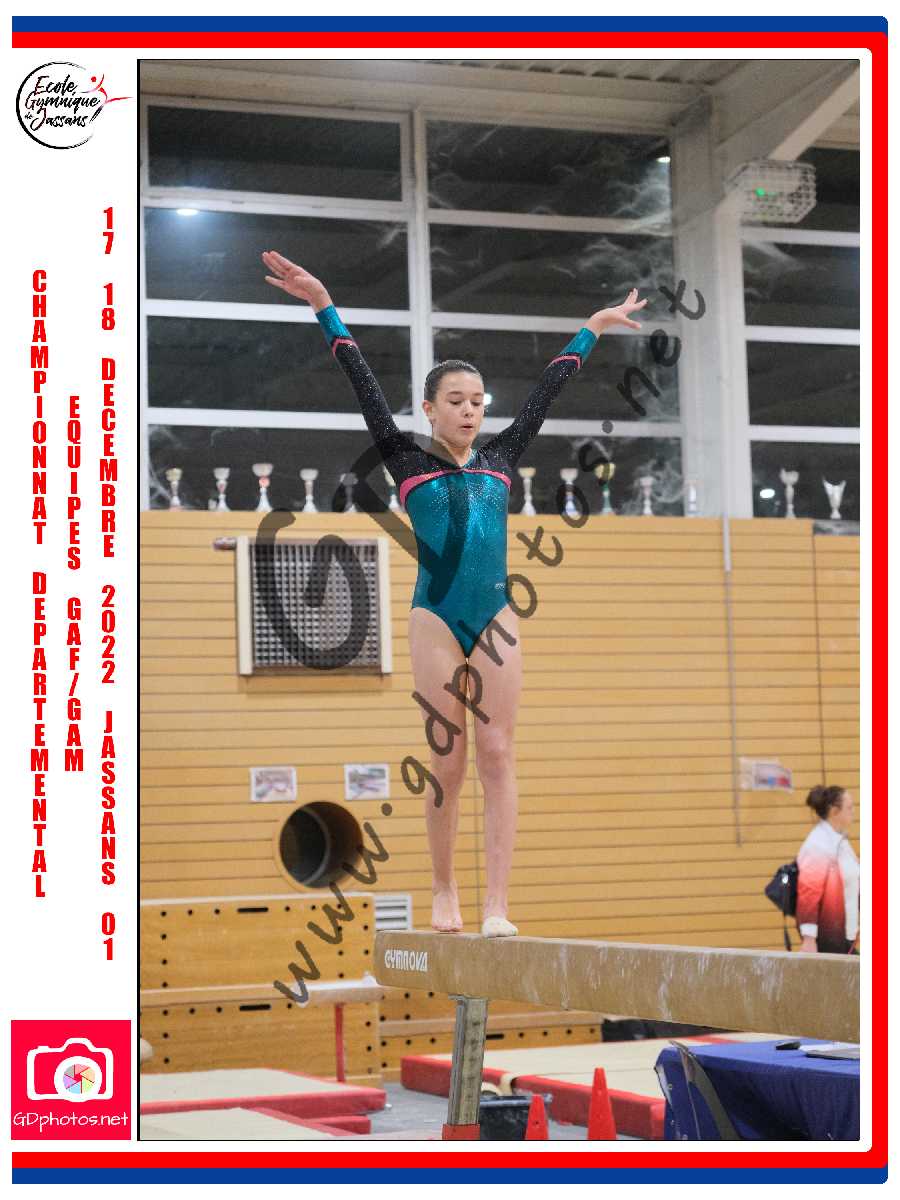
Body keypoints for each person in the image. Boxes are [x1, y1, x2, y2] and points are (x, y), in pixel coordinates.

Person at [261, 249, 646, 936]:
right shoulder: (404, 458)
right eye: (457, 402)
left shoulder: (501, 459)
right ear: (430, 408)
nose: (470, 411)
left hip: (495, 616)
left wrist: (593, 325)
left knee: (498, 754)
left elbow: (549, 390)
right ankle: (445, 889)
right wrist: (322, 302)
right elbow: (359, 377)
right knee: (449, 758)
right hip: (435, 618)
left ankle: (497, 904)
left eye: (477, 402)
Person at [796, 785, 859, 954]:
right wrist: (809, 940)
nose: (853, 812)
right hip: (828, 937)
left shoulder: (840, 841)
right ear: (834, 811)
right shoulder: (817, 845)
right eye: (849, 807)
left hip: (846, 934)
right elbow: (808, 894)